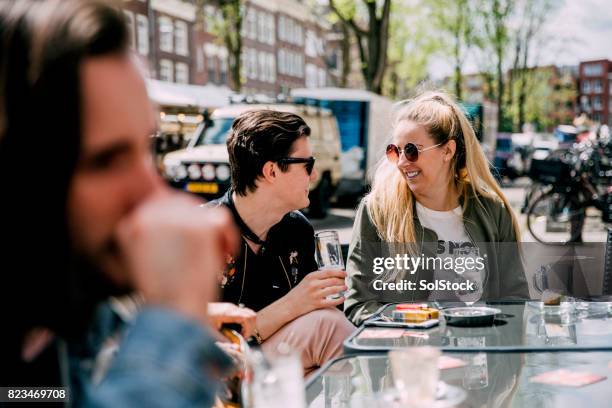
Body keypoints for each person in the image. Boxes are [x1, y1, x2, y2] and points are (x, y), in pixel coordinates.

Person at [0, 0, 246, 405]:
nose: (154, 193)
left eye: (145, 149)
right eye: (107, 161)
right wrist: (174, 319)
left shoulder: (65, 310)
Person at [345, 91, 529, 325]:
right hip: (409, 355)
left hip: (482, 353)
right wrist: (409, 327)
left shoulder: (492, 210)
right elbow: (359, 304)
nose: (402, 162)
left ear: (448, 151)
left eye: (411, 150)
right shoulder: (376, 211)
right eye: (395, 151)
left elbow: (516, 298)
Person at [208, 109, 355, 375]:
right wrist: (294, 303)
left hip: (272, 364)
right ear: (272, 171)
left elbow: (316, 316)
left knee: (329, 324)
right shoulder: (205, 234)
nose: (313, 175)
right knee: (327, 326)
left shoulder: (296, 230)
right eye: (307, 165)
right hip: (215, 376)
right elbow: (201, 342)